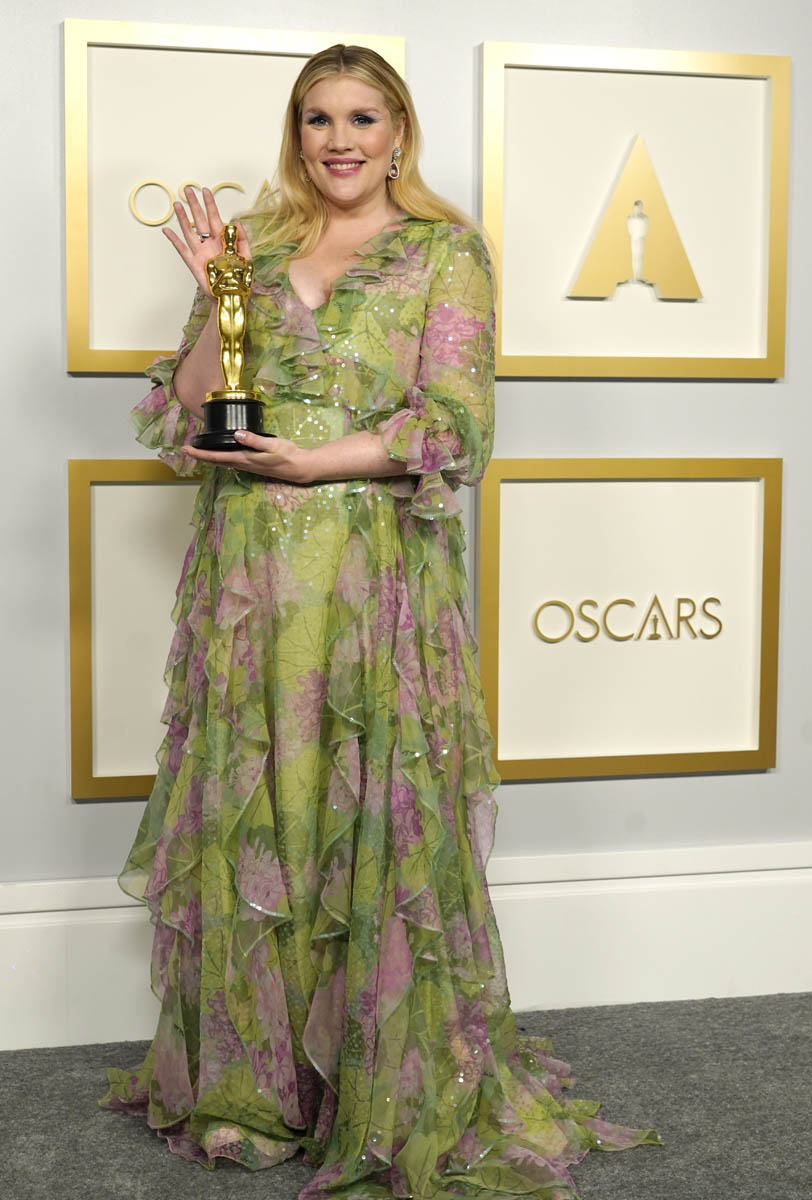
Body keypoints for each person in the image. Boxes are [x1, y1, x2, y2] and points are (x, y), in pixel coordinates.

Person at [99, 43, 660, 1199]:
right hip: (251, 579)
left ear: (398, 131)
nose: (339, 141)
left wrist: (314, 463)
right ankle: (262, 1087)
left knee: (367, 812)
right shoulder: (253, 247)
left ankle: (376, 1082)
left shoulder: (444, 253)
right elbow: (189, 413)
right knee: (264, 804)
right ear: (296, 133)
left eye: (362, 118)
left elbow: (455, 425)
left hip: (375, 577)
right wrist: (216, 293)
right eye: (318, 119)